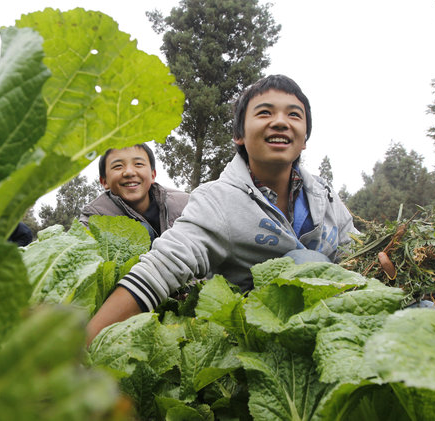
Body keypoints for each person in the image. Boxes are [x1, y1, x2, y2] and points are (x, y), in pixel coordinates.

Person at [86, 74, 359, 344]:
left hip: (344, 331)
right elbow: (161, 268)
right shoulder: (216, 200)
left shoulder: (325, 196)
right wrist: (81, 349)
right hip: (257, 345)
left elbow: (355, 256)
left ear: (305, 138)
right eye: (264, 113)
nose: (280, 122)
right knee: (306, 263)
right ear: (239, 135)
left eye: (294, 115)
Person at [80, 143, 189, 243]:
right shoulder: (94, 218)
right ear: (104, 181)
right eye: (118, 166)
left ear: (153, 175)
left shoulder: (187, 205)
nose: (129, 172)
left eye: (138, 164)